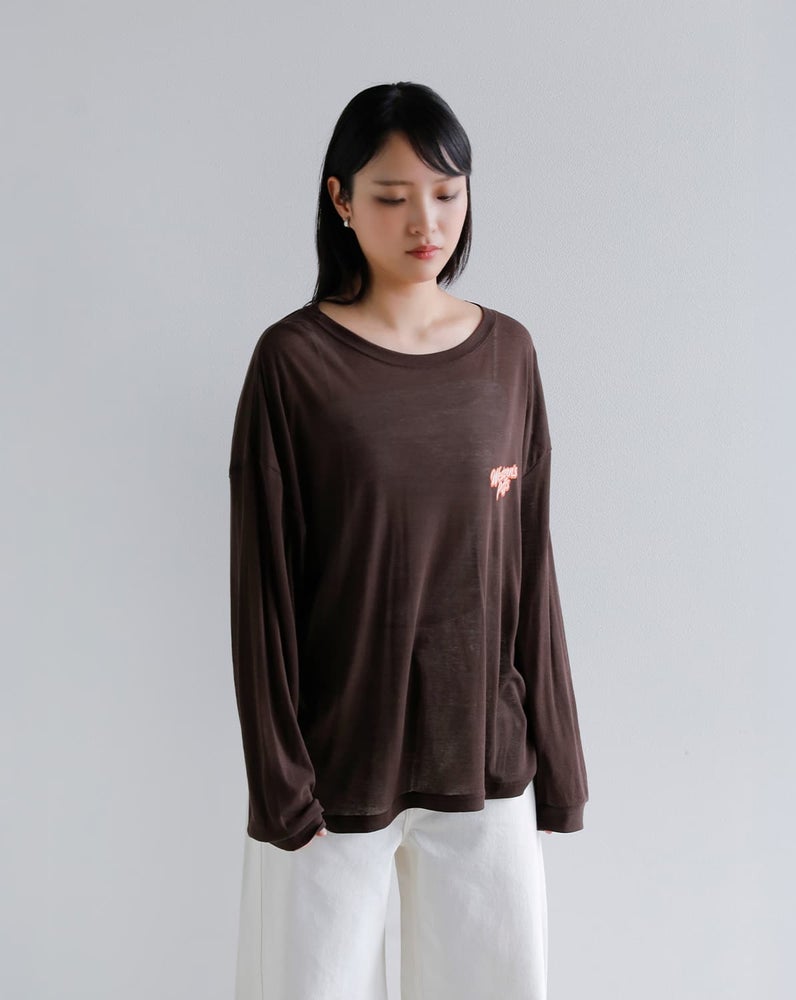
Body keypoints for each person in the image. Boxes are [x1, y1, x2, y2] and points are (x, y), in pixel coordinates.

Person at [228, 81, 589, 1000]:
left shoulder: (508, 355)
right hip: (332, 768)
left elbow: (529, 568)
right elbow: (262, 587)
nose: (426, 222)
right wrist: (280, 781)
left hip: (484, 759)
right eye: (392, 197)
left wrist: (559, 761)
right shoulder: (293, 363)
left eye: (447, 192)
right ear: (341, 200)